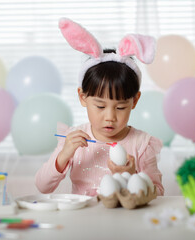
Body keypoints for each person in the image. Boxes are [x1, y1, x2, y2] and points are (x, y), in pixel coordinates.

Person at [35, 18, 164, 196]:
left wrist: (132, 176)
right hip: (84, 222)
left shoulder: (141, 144)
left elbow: (158, 193)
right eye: (100, 106)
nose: (110, 116)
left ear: (134, 101)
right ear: (82, 97)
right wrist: (64, 155)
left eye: (120, 108)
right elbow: (42, 187)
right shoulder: (73, 140)